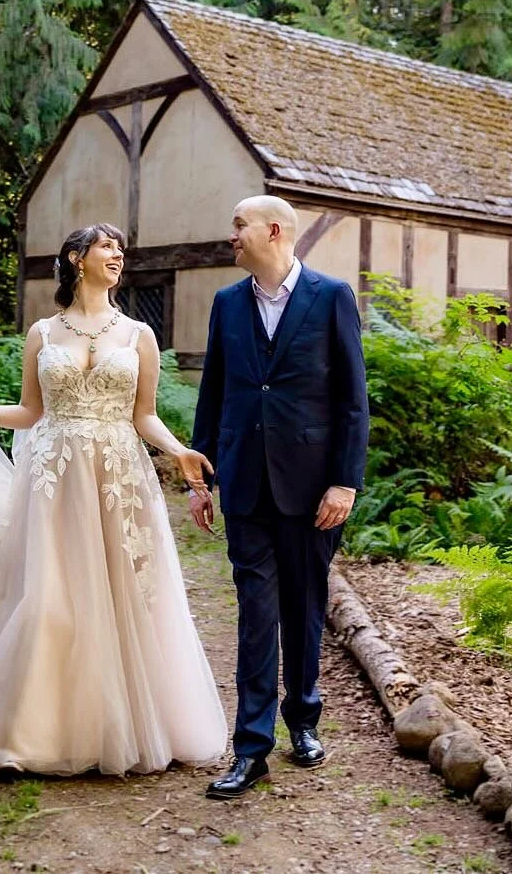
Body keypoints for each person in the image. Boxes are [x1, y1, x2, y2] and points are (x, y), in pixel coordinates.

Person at [0, 223, 227, 775]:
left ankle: (128, 725)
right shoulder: (42, 334)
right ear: (77, 258)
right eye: (108, 247)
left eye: (121, 249)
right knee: (51, 592)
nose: (118, 255)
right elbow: (31, 412)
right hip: (54, 476)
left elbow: (143, 414)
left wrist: (179, 451)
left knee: (124, 594)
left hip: (119, 476)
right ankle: (33, 733)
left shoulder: (138, 335)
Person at [190, 195, 369, 799]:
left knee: (304, 607)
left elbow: (352, 400)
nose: (231, 236)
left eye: (238, 225)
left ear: (273, 231)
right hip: (244, 481)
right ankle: (251, 747)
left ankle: (305, 721)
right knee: (256, 615)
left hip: (315, 487)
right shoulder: (226, 304)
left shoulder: (331, 296)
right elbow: (214, 392)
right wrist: (201, 477)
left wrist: (345, 481)